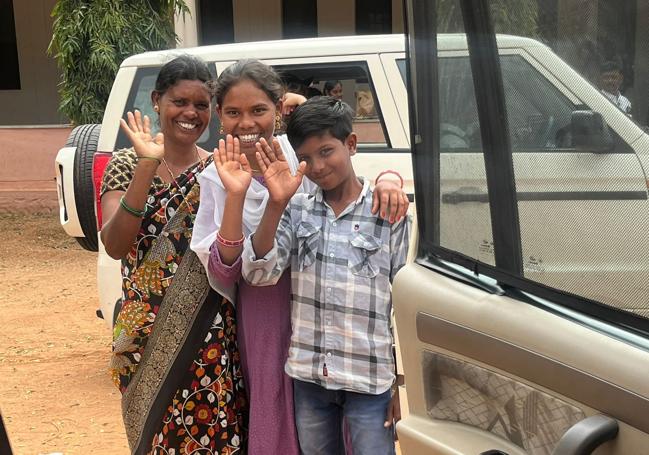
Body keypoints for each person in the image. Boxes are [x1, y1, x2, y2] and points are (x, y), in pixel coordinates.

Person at [190, 60, 409, 455]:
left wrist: (391, 179)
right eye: (234, 112)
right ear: (219, 116)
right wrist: (239, 196)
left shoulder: (297, 157)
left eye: (258, 110)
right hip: (268, 310)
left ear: (277, 109)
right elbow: (228, 267)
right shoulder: (217, 175)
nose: (246, 123)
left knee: (355, 420)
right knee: (288, 409)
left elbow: (353, 174)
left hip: (343, 320)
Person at [241, 96, 409, 454]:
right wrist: (276, 202)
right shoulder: (296, 210)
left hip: (369, 379)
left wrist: (399, 384)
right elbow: (259, 273)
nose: (316, 166)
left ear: (351, 144)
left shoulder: (387, 210)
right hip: (310, 377)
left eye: (327, 151)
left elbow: (401, 302)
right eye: (305, 157)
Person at [101, 55, 245, 454]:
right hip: (143, 334)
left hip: (209, 330)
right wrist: (147, 165)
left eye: (201, 105)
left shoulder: (219, 168)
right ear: (157, 100)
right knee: (153, 436)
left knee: (210, 434)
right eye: (180, 101)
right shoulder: (125, 164)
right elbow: (115, 245)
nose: (190, 113)